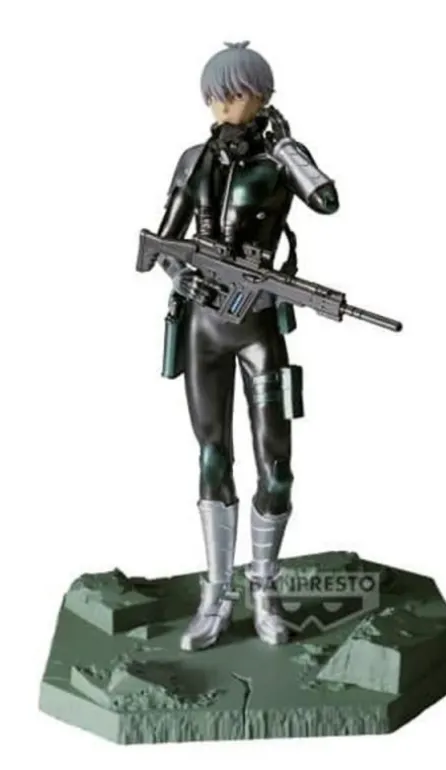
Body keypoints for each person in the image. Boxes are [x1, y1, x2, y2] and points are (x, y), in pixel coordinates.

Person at [153, 41, 339, 651]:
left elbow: (326, 200)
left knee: (277, 470)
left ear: (262, 94)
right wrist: (185, 278)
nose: (224, 105)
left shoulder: (280, 160)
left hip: (259, 326)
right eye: (216, 95)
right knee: (212, 460)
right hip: (204, 325)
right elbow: (163, 242)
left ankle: (264, 590)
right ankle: (216, 595)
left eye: (236, 94)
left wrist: (286, 148)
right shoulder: (194, 160)